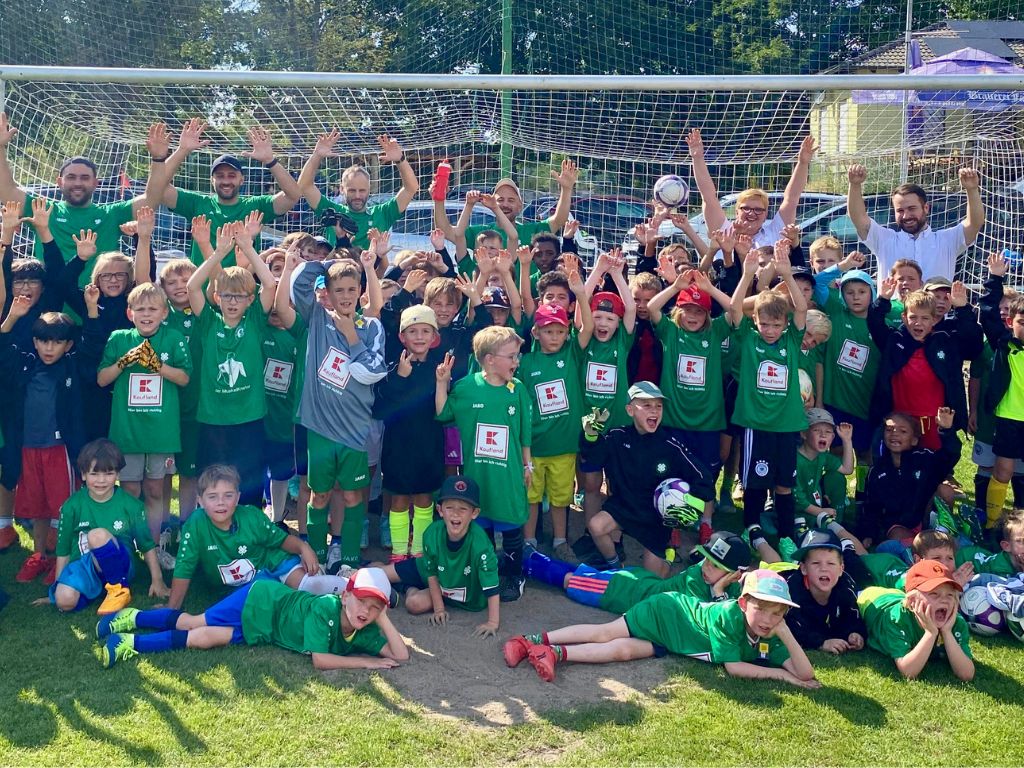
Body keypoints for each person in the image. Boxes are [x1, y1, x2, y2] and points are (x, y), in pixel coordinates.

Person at [504, 568, 819, 687]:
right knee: (606, 633)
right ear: (743, 604)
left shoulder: (772, 630)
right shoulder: (729, 615)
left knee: (622, 652)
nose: (767, 620)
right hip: (666, 612)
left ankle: (553, 653)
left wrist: (785, 633)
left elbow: (806, 674)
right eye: (761, 610)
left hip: (673, 640)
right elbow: (734, 668)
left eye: (776, 614)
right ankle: (528, 639)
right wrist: (782, 675)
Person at [97, 567, 409, 670]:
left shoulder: (365, 625)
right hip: (262, 599)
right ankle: (132, 617)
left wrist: (383, 619)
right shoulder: (327, 607)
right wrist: (366, 662)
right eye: (361, 601)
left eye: (374, 608)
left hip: (264, 629)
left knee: (204, 639)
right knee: (194, 623)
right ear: (344, 595)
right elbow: (320, 660)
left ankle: (129, 642)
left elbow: (401, 655)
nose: (365, 611)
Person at [289, 249, 386, 570]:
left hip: (354, 431)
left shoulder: (371, 326)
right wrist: (329, 264)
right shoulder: (317, 318)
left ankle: (348, 559)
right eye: (338, 290)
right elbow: (298, 283)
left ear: (360, 291)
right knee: (319, 495)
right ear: (327, 293)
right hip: (319, 428)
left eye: (351, 289)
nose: (345, 296)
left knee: (352, 496)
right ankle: (317, 558)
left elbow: (371, 372)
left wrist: (351, 337)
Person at [435, 326, 533, 602]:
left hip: (508, 475)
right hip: (478, 474)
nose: (516, 362)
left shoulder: (517, 389)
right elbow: (443, 413)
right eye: (511, 356)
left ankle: (514, 575)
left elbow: (525, 432)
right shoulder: (467, 387)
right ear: (489, 359)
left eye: (517, 356)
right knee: (483, 524)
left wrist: (528, 465)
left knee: (511, 523)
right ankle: (489, 572)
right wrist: (442, 384)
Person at [579, 381, 715, 578]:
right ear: (630, 410)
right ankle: (615, 566)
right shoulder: (617, 437)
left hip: (655, 519)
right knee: (596, 526)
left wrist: (689, 503)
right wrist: (590, 435)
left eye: (659, 406)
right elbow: (593, 456)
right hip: (623, 507)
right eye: (647, 405)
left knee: (653, 580)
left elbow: (704, 478)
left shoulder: (670, 445)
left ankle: (668, 555)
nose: (654, 410)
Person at [0, 114, 163, 279]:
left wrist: (158, 159)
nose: (77, 183)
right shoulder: (42, 210)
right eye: (71, 177)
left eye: (85, 178)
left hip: (100, 295)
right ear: (60, 182)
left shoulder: (111, 214)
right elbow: (6, 190)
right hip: (52, 296)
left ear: (95, 183)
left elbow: (151, 199)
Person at [186, 221, 279, 505]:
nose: (233, 301)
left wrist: (249, 249)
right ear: (217, 297)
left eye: (239, 296)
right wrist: (218, 253)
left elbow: (270, 284)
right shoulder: (208, 322)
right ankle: (212, 525)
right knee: (212, 481)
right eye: (227, 295)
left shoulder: (254, 321)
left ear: (250, 299)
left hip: (249, 418)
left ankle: (249, 525)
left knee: (248, 481)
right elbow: (192, 286)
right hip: (213, 419)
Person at [0, 199, 71, 551]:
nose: (26, 287)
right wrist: (7, 236)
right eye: (20, 281)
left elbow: (56, 271)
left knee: (46, 458)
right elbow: (3, 271)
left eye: (32, 281)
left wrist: (45, 232)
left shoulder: (48, 307)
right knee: (10, 459)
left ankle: (54, 525)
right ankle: (6, 524)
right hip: (10, 390)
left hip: (45, 395)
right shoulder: (5, 305)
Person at [646, 267, 737, 543]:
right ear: (678, 311)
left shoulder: (715, 333)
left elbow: (734, 311)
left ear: (707, 315)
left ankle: (706, 522)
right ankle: (673, 519)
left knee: (707, 473)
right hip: (674, 419)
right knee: (672, 471)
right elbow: (651, 308)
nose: (692, 316)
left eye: (699, 311)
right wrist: (675, 287)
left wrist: (710, 290)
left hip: (708, 421)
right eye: (687, 309)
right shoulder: (671, 333)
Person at [97, 282, 192, 540]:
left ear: (164, 313)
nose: (146, 314)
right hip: (128, 432)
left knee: (154, 490)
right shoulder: (119, 338)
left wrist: (157, 366)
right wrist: (124, 361)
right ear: (130, 313)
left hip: (161, 432)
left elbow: (184, 378)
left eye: (153, 309)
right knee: (129, 491)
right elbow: (102, 379)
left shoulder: (172, 338)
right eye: (140, 309)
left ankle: (153, 545)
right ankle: (129, 545)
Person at [729, 240, 808, 540]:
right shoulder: (749, 339)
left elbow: (801, 308)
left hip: (786, 424)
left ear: (784, 324)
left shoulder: (791, 341)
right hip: (756, 423)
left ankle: (786, 537)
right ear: (756, 322)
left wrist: (786, 274)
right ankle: (752, 530)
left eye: (776, 325)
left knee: (784, 483)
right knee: (755, 481)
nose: (770, 330)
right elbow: (734, 307)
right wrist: (748, 274)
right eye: (764, 324)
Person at [0, 309, 84, 585]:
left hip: (59, 450)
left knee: (64, 508)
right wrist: (12, 317)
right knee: (38, 508)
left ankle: (63, 559)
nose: (49, 348)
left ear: (68, 345)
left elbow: (93, 347)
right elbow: (2, 350)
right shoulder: (25, 365)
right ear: (35, 342)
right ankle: (39, 556)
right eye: (44, 341)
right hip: (28, 449)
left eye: (57, 342)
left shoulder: (71, 367)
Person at [149, 119, 300, 267]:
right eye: (220, 176)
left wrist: (270, 160)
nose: (226, 181)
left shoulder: (256, 206)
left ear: (242, 180)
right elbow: (158, 189)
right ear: (211, 180)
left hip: (243, 283)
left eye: (231, 175)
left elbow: (293, 195)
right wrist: (182, 150)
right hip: (202, 283)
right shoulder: (198, 203)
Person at [166, 464, 318, 610]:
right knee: (269, 604)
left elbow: (281, 540)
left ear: (238, 498)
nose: (221, 502)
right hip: (245, 586)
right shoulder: (195, 524)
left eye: (228, 496)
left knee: (308, 586)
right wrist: (172, 608)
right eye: (212, 497)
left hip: (273, 562)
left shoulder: (251, 516)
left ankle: (329, 596)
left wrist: (303, 548)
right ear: (200, 501)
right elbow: (184, 567)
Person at [519, 265, 593, 560]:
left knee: (561, 498)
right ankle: (529, 543)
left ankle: (561, 541)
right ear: (536, 332)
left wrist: (581, 294)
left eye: (560, 331)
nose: (554, 337)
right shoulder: (525, 363)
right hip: (535, 445)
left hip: (564, 445)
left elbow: (587, 329)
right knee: (532, 497)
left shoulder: (572, 353)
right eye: (548, 331)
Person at [45, 439, 168, 614]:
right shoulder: (71, 506)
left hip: (121, 564)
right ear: (83, 475)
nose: (101, 480)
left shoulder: (131, 505)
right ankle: (100, 591)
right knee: (64, 601)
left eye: (108, 473)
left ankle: (118, 589)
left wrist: (158, 580)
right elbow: (63, 551)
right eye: (94, 474)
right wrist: (59, 586)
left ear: (117, 474)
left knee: (97, 536)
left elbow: (146, 545)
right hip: (85, 565)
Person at [381, 475, 502, 637]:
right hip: (436, 575)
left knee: (413, 604)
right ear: (440, 510)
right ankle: (354, 572)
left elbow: (492, 586)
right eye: (450, 507)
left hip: (462, 595)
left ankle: (405, 587)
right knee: (380, 573)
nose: (455, 514)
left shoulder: (481, 545)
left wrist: (493, 622)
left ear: (474, 513)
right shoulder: (432, 534)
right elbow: (431, 574)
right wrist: (439, 609)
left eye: (463, 509)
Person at [525, 530, 751, 613]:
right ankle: (525, 563)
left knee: (584, 574)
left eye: (716, 566)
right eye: (707, 560)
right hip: (625, 592)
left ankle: (532, 557)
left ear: (734, 575)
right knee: (571, 581)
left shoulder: (731, 585)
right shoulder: (696, 579)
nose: (706, 567)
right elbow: (713, 619)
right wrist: (719, 590)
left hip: (641, 582)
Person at [868, 283, 980, 449]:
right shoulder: (894, 340)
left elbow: (973, 342)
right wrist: (883, 300)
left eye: (925, 318)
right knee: (898, 460)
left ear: (934, 320)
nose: (918, 323)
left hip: (933, 420)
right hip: (899, 419)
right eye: (913, 317)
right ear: (904, 317)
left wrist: (963, 308)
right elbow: (874, 322)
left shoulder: (945, 342)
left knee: (934, 460)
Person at [374, 305, 447, 561]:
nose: (419, 337)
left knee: (424, 500)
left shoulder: (439, 368)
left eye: (425, 331)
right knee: (399, 500)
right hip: (398, 448)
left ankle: (419, 553)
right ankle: (398, 553)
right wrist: (400, 377)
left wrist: (442, 383)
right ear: (402, 337)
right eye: (412, 331)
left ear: (434, 337)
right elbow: (380, 409)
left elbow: (443, 413)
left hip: (429, 446)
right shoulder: (393, 367)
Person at [846, 164, 984, 281]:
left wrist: (972, 190)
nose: (906, 216)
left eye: (912, 208)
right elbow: (858, 218)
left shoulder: (946, 241)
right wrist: (855, 185)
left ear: (926, 208)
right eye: (900, 210)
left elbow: (974, 223)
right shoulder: (884, 240)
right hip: (892, 307)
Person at [687, 128, 817, 252]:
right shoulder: (723, 231)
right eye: (746, 208)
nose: (751, 213)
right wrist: (697, 158)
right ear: (736, 212)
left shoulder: (776, 232)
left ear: (766, 215)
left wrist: (802, 163)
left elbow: (792, 198)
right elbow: (708, 197)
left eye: (758, 210)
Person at [298, 129, 419, 251]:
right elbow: (304, 186)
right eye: (352, 190)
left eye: (362, 190)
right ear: (342, 189)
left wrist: (400, 160)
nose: (357, 196)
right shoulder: (332, 212)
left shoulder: (382, 213)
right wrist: (317, 155)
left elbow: (411, 188)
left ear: (369, 190)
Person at [862, 408, 960, 553]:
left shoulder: (925, 458)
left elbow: (950, 455)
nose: (895, 433)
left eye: (903, 431)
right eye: (889, 429)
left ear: (914, 440)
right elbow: (871, 506)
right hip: (900, 526)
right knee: (896, 537)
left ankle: (943, 533)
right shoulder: (876, 471)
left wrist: (946, 431)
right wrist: (868, 534)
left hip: (926, 518)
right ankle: (920, 552)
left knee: (946, 491)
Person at [857, 559, 974, 681]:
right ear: (913, 601)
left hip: (902, 597)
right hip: (873, 600)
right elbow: (908, 671)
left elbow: (967, 674)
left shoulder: (956, 622)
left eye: (950, 595)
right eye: (934, 594)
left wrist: (947, 632)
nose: (944, 600)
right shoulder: (897, 619)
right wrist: (930, 633)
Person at [977, 252, 1024, 531]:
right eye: (1022, 322)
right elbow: (988, 313)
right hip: (1008, 419)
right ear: (1011, 323)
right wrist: (995, 279)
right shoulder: (1004, 344)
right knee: (1003, 471)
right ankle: (992, 524)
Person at [782, 530, 866, 655]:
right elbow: (791, 627)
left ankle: (848, 548)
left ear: (841, 569)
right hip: (778, 573)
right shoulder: (790, 590)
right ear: (804, 568)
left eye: (831, 563)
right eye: (816, 563)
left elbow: (853, 614)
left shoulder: (846, 585)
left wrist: (854, 633)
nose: (824, 569)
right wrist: (821, 642)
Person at [793, 409, 854, 530]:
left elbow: (847, 469)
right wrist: (820, 512)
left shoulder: (822, 456)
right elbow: (798, 500)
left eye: (828, 431)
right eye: (816, 430)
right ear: (804, 434)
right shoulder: (795, 461)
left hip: (814, 506)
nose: (823, 435)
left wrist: (847, 440)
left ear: (832, 437)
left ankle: (836, 521)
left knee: (837, 477)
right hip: (796, 510)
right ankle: (828, 525)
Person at [957, 509, 1024, 577]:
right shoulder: (1001, 570)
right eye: (1023, 541)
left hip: (977, 553)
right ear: (1006, 546)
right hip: (964, 559)